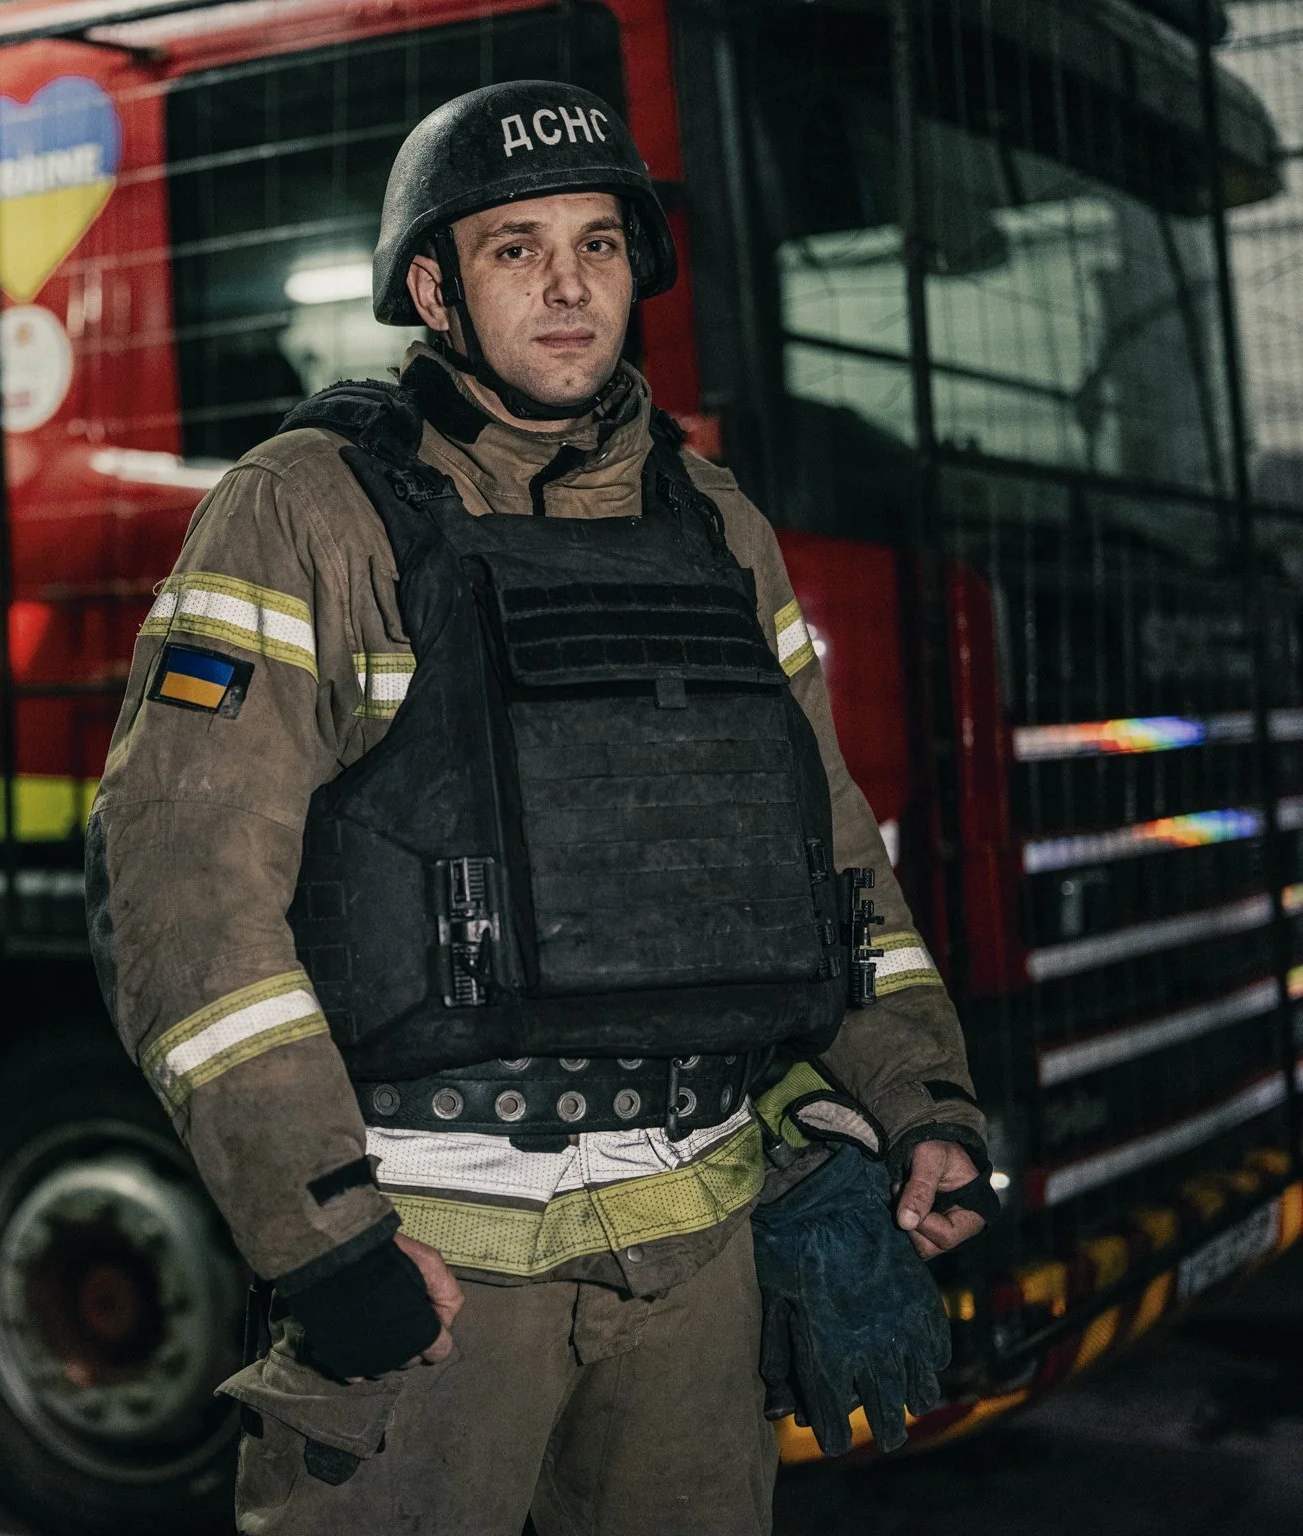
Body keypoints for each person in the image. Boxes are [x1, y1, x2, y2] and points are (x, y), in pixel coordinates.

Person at [85, 79, 991, 1536]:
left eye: (600, 244)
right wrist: (325, 1240)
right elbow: (185, 902)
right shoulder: (307, 509)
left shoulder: (718, 525)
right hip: (435, 1266)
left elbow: (827, 855)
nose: (569, 287)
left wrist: (918, 1095)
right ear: (433, 288)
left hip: (698, 1247)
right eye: (517, 249)